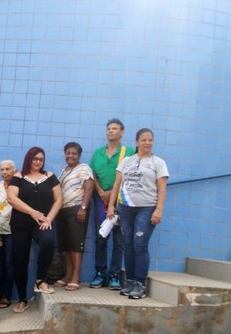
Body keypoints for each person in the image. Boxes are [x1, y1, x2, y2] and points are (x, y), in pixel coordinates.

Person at [107, 128, 169, 300]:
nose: (147, 143)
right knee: (128, 245)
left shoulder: (158, 162)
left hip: (146, 208)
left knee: (140, 245)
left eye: (150, 140)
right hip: (125, 208)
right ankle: (130, 282)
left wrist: (159, 209)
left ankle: (140, 284)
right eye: (144, 140)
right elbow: (117, 184)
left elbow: (162, 188)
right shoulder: (127, 161)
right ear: (137, 142)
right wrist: (111, 205)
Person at [7, 147, 63, 313]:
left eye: (41, 159)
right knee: (20, 260)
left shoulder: (50, 176)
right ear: (28, 159)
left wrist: (49, 218)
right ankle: (22, 299)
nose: (38, 161)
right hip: (20, 224)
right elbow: (11, 198)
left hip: (42, 223)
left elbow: (59, 199)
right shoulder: (18, 177)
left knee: (48, 242)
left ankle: (40, 279)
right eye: (35, 158)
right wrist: (33, 212)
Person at [89, 118, 136, 290]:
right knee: (101, 236)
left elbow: (132, 176)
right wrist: (101, 192)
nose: (110, 131)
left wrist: (113, 193)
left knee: (119, 239)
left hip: (121, 201)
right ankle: (100, 274)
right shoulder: (98, 153)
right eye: (108, 128)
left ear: (122, 132)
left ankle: (114, 275)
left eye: (114, 128)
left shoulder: (129, 152)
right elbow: (92, 174)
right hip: (100, 200)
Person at [54, 143, 94, 291]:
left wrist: (83, 208)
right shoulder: (64, 171)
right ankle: (68, 276)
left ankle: (76, 278)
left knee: (76, 245)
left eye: (74, 153)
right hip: (63, 211)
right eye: (68, 153)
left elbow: (89, 187)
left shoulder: (83, 168)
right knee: (67, 246)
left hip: (77, 209)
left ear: (79, 155)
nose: (70, 156)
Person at [0, 160, 16, 308]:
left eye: (8, 169)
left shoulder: (19, 186)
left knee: (9, 262)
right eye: (2, 169)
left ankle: (7, 295)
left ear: (14, 170)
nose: (5, 172)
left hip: (14, 231)